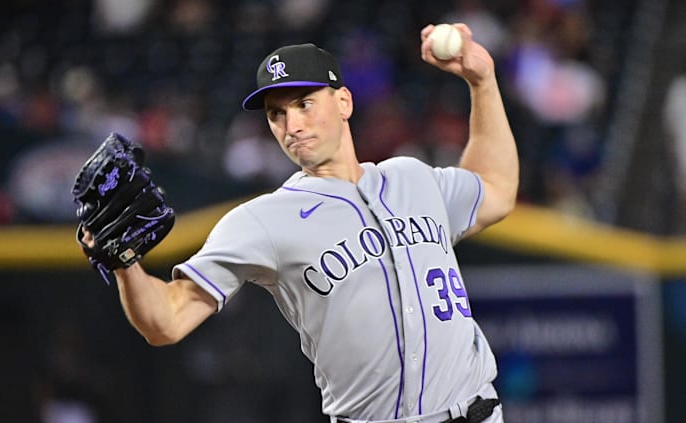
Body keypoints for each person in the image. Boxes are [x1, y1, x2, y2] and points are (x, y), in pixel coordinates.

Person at [108, 23, 518, 423]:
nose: (292, 127)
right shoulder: (263, 219)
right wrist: (125, 262)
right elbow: (168, 320)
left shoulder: (412, 177)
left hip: (476, 411)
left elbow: (495, 188)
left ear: (344, 102)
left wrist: (482, 83)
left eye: (304, 103)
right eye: (276, 114)